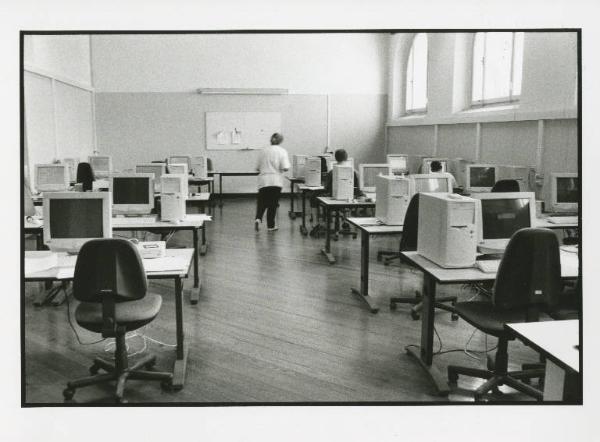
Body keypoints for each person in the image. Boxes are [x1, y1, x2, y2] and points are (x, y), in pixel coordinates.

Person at [255, 133, 290, 232]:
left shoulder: (263, 151)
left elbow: (257, 168)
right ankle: (271, 226)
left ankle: (258, 218)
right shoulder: (282, 151)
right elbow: (285, 167)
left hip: (264, 180)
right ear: (280, 141)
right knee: (272, 204)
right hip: (276, 181)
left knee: (262, 202)